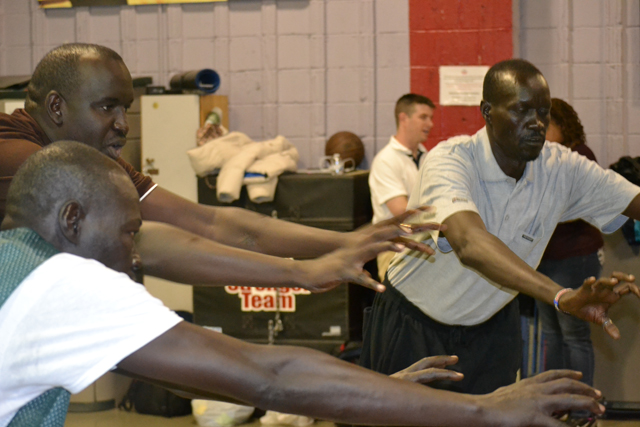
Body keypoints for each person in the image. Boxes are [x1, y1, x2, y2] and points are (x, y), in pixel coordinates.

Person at [0, 140, 607, 427]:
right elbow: (274, 377)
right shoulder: (64, 286)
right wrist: (484, 408)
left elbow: (209, 368)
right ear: (72, 219)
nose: (135, 252)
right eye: (129, 233)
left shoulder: (17, 260)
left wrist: (374, 390)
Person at [0, 43, 439, 294]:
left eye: (127, 108)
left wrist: (346, 239)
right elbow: (152, 245)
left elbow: (211, 222)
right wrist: (298, 272)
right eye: (106, 107)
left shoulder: (91, 164)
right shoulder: (25, 164)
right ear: (56, 107)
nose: (122, 124)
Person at [360, 58, 640, 395]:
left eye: (543, 111)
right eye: (521, 110)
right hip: (414, 324)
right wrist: (560, 295)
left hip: (492, 327)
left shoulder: (561, 167)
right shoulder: (450, 161)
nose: (536, 123)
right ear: (488, 111)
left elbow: (632, 200)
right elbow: (469, 243)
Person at [535, 98, 604, 386]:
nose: (539, 132)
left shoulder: (579, 155)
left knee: (573, 334)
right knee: (552, 334)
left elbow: (579, 206)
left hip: (575, 257)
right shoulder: (538, 157)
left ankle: (580, 409)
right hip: (546, 258)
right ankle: (557, 404)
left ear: (563, 125)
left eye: (546, 125)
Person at [369, 94, 435, 280]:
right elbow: (402, 213)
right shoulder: (386, 160)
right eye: (423, 117)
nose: (430, 124)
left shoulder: (427, 156)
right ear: (403, 118)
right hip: (394, 249)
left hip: (425, 243)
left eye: (431, 118)